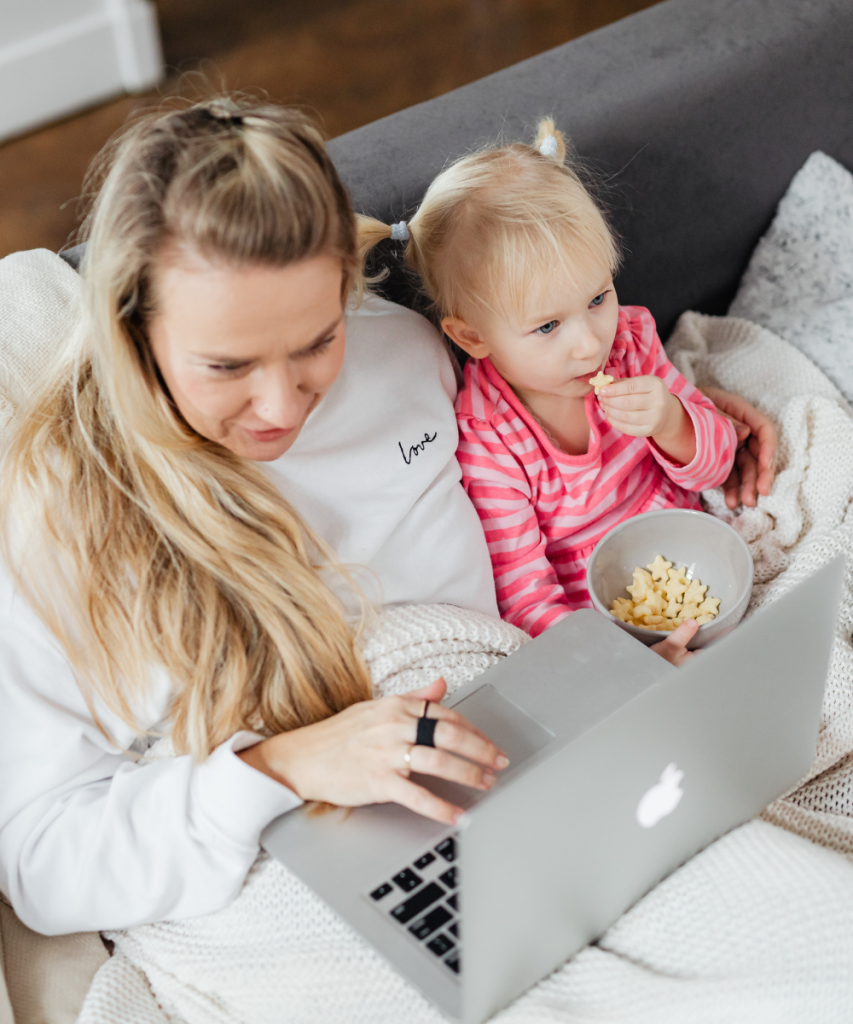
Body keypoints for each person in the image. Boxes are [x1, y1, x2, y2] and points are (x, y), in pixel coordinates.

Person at [0, 99, 773, 937]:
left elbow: (533, 389)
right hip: (327, 848)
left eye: (314, 341)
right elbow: (42, 863)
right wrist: (284, 764)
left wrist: (686, 415)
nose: (280, 402)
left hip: (544, 739)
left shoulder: (403, 351)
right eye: (226, 365)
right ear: (131, 330)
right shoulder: (64, 521)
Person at [358, 119, 764, 643]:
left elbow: (717, 468)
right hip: (596, 624)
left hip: (691, 566)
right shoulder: (489, 439)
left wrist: (671, 421)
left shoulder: (631, 344)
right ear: (472, 338)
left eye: (598, 298)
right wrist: (611, 665)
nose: (589, 343)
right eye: (547, 326)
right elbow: (524, 596)